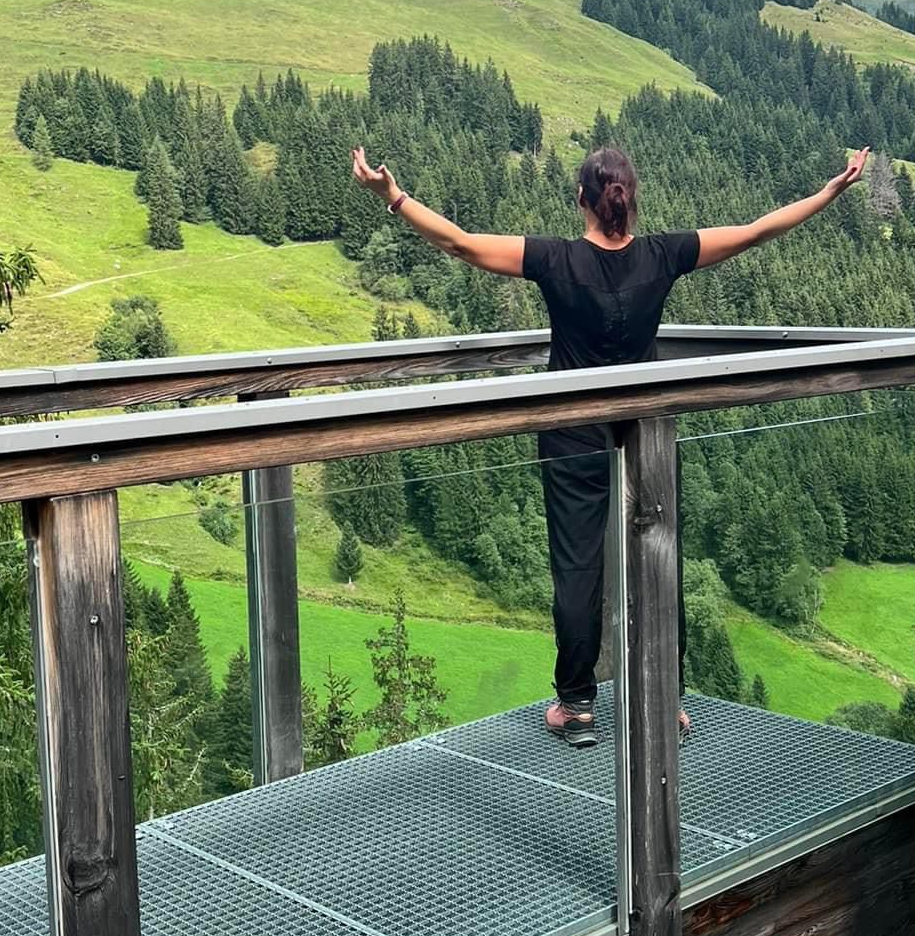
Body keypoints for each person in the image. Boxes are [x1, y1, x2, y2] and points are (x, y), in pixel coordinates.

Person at [351, 139, 870, 745]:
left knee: (578, 566)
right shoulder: (663, 255)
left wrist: (392, 196)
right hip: (647, 425)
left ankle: (576, 707)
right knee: (659, 559)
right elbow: (756, 231)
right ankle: (666, 699)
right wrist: (831, 191)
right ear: (630, 202)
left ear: (582, 201)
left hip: (573, 431)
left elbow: (461, 243)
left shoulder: (554, 260)